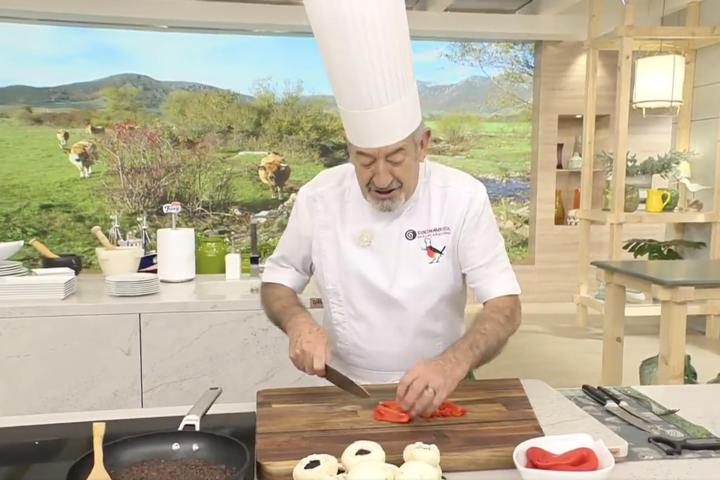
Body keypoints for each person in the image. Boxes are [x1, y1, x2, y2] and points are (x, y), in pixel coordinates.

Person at [260, 0, 521, 418]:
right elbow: (278, 281)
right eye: (364, 160)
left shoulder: (463, 196)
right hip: (348, 389)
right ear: (349, 149)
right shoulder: (318, 197)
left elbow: (505, 306)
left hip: (444, 387)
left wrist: (453, 363)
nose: (380, 177)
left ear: (423, 145)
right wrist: (297, 323)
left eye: (396, 157)